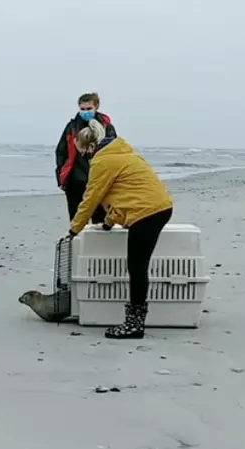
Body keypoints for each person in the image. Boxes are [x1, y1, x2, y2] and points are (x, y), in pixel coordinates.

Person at [66, 119, 173, 339]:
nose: (84, 157)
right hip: (158, 207)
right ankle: (135, 321)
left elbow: (91, 197)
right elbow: (122, 195)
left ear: (90, 147)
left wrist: (74, 230)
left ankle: (134, 325)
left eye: (83, 152)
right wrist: (107, 223)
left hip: (147, 213)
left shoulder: (102, 162)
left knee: (137, 267)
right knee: (137, 266)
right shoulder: (121, 153)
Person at [55, 92, 117, 224]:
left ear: (96, 106)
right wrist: (60, 175)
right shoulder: (71, 127)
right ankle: (75, 241)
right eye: (82, 109)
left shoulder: (107, 128)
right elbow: (61, 151)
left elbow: (114, 153)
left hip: (99, 179)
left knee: (99, 220)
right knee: (76, 218)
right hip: (75, 179)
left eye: (89, 109)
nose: (85, 112)